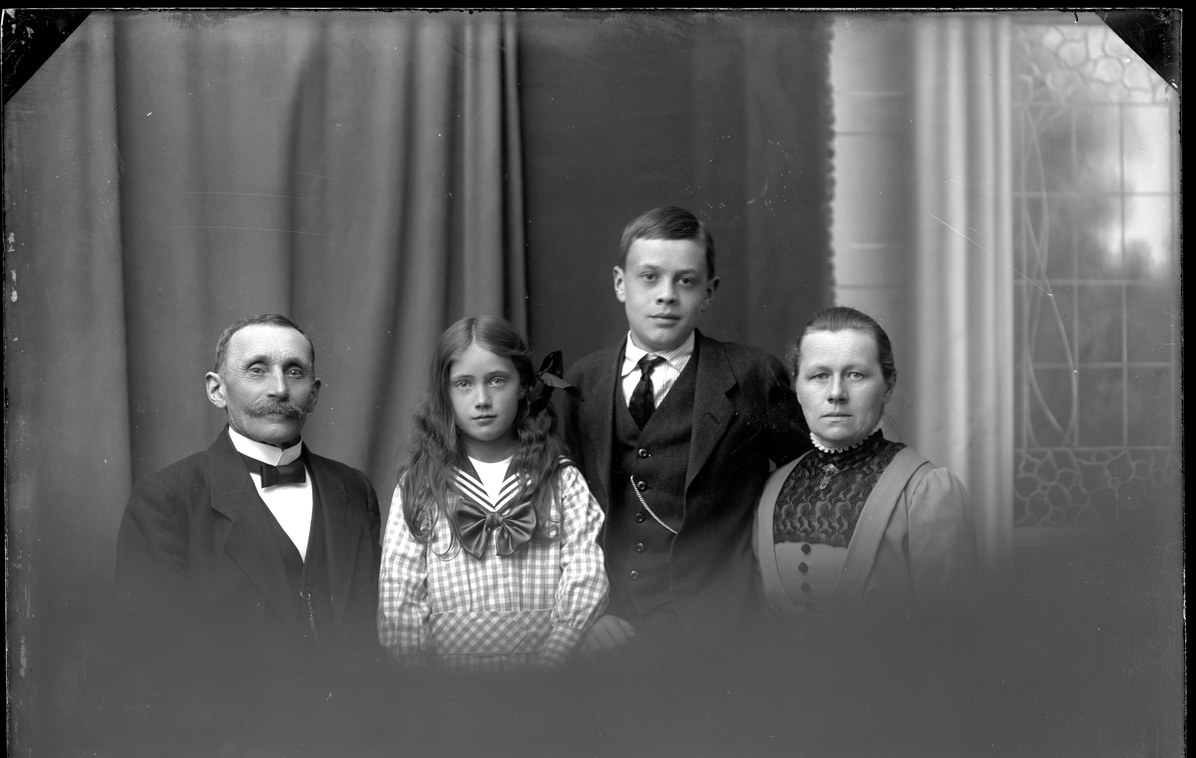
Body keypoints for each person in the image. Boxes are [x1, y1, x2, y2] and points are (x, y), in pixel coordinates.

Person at [562, 206, 809, 662]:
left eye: (686, 281)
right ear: (620, 283)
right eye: (649, 277)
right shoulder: (582, 383)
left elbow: (805, 481)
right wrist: (587, 615)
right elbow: (564, 518)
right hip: (612, 630)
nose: (666, 296)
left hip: (723, 634)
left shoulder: (753, 376)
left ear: (709, 291)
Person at [113, 313, 383, 692]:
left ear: (314, 393)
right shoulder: (165, 499)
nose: (279, 389)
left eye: (295, 372)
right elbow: (148, 660)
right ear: (217, 390)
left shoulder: (354, 489)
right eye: (257, 370)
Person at [378, 316, 608, 672]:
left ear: (523, 385)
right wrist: (427, 683)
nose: (482, 399)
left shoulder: (560, 480)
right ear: (445, 393)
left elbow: (586, 573)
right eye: (464, 384)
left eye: (497, 380)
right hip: (450, 687)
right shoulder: (420, 486)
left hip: (547, 675)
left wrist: (552, 662)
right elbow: (400, 595)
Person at [753, 305, 979, 644]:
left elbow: (953, 638)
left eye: (856, 375)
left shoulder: (928, 492)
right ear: (797, 387)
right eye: (819, 376)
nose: (836, 393)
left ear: (888, 386)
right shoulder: (773, 488)